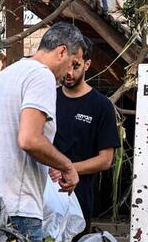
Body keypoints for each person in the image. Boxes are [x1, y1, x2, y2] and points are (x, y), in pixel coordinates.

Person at [0, 22, 87, 242]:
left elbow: (8, 138)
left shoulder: (5, 76)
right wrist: (66, 166)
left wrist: (48, 161)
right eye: (73, 63)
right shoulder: (42, 76)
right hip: (19, 210)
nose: (70, 72)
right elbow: (29, 139)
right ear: (61, 51)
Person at [51, 38, 121, 232]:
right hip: (42, 195)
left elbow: (106, 160)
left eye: (76, 66)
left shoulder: (101, 106)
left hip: (79, 200)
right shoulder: (47, 96)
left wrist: (67, 168)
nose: (69, 73)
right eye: (66, 65)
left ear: (87, 64)